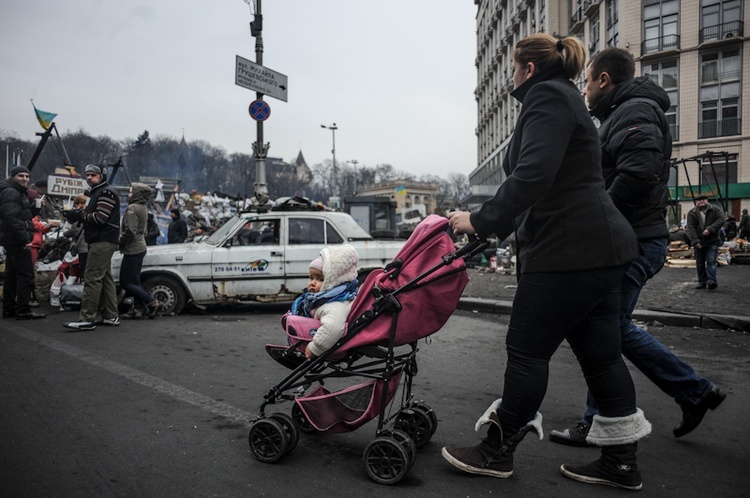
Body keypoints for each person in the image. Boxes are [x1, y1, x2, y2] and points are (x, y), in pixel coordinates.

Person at [442, 34, 649, 491]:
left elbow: (533, 175)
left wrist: (478, 219)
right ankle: (620, 463)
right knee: (601, 356)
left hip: (569, 251)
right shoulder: (564, 98)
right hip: (598, 249)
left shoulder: (547, 98)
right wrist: (493, 224)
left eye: (514, 69)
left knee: (527, 351)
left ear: (528, 69)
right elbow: (547, 180)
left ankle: (496, 452)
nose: (510, 78)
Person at [550, 47, 726, 448]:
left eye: (588, 83)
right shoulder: (623, 113)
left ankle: (603, 423)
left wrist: (594, 221)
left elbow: (636, 175)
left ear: (604, 80)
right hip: (631, 238)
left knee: (602, 330)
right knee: (607, 328)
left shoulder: (634, 111)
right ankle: (694, 392)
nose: (586, 92)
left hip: (632, 241)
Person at [63, 164, 121, 331]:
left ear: (101, 176)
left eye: (93, 175)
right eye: (87, 175)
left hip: (102, 239)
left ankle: (87, 318)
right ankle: (111, 316)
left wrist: (79, 215)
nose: (89, 178)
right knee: (105, 278)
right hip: (102, 239)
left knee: (92, 277)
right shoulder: (98, 192)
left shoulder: (105, 192)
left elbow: (100, 218)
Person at [287, 245, 359, 359]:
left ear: (334, 281)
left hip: (324, 346)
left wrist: (315, 348)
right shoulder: (323, 299)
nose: (313, 283)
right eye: (311, 278)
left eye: (320, 279)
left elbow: (333, 328)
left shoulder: (334, 304)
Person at [0, 166, 46, 320]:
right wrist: (25, 239)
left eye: (27, 176)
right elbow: (12, 218)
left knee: (11, 274)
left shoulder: (15, 191)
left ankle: (9, 308)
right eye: (21, 176)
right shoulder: (12, 192)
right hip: (17, 238)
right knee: (25, 275)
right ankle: (23, 309)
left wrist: (35, 209)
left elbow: (21, 215)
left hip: (10, 237)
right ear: (12, 176)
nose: (25, 179)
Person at [119, 183, 160, 319]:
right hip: (140, 247)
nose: (129, 194)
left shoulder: (132, 208)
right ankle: (138, 309)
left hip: (132, 249)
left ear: (137, 194)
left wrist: (120, 241)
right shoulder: (143, 207)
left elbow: (130, 230)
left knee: (125, 282)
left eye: (131, 192)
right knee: (135, 281)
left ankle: (150, 301)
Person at [686, 195, 725, 290]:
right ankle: (702, 282)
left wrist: (710, 229)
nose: (701, 202)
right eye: (698, 200)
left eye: (703, 200)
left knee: (711, 260)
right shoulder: (692, 213)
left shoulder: (715, 209)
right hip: (699, 241)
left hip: (713, 241)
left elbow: (721, 220)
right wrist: (695, 241)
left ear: (707, 200)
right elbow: (690, 228)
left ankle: (711, 281)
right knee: (700, 263)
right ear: (696, 202)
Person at [62, 195, 89, 277]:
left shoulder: (82, 216)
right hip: (87, 247)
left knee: (85, 270)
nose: (79, 205)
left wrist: (65, 232)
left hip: (84, 247)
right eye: (77, 203)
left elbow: (72, 231)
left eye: (82, 203)